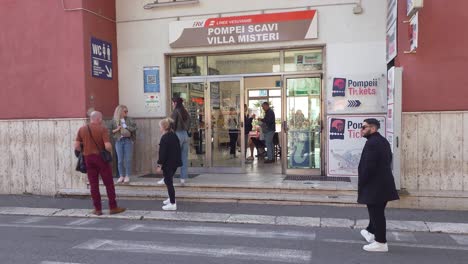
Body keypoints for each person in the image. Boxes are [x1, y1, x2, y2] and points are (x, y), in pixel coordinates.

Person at [358, 118, 399, 252]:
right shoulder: (381, 141)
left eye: (364, 127)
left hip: (375, 185)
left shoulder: (373, 143)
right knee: (376, 212)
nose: (361, 129)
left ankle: (381, 242)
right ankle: (370, 232)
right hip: (382, 184)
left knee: (377, 214)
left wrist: (363, 183)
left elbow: (368, 167)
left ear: (373, 128)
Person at [74, 111, 126, 216]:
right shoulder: (102, 129)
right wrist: (110, 151)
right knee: (109, 184)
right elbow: (107, 146)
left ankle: (97, 209)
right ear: (99, 119)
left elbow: (77, 146)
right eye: (101, 119)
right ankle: (113, 207)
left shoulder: (82, 129)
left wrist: (84, 151)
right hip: (101, 159)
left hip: (88, 158)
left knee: (93, 185)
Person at [158, 97, 190, 185]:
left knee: (171, 158)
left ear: (175, 103)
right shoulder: (185, 112)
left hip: (177, 135)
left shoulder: (175, 112)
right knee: (184, 157)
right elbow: (189, 123)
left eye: (172, 102)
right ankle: (183, 178)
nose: (172, 104)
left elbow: (171, 124)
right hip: (185, 135)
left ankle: (167, 178)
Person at [155, 118, 182, 211]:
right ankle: (171, 198)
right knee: (168, 181)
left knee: (169, 182)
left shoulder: (164, 138)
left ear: (163, 127)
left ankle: (172, 203)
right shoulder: (174, 135)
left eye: (160, 127)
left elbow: (162, 153)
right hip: (175, 162)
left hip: (168, 164)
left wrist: (159, 165)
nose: (159, 129)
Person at [111, 105, 137, 184]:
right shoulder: (114, 120)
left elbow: (135, 128)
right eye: (125, 111)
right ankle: (121, 175)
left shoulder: (129, 119)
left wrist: (126, 126)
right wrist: (117, 129)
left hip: (128, 140)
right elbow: (110, 131)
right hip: (119, 141)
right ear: (120, 112)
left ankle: (127, 175)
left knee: (128, 159)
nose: (126, 113)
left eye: (127, 111)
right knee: (120, 160)